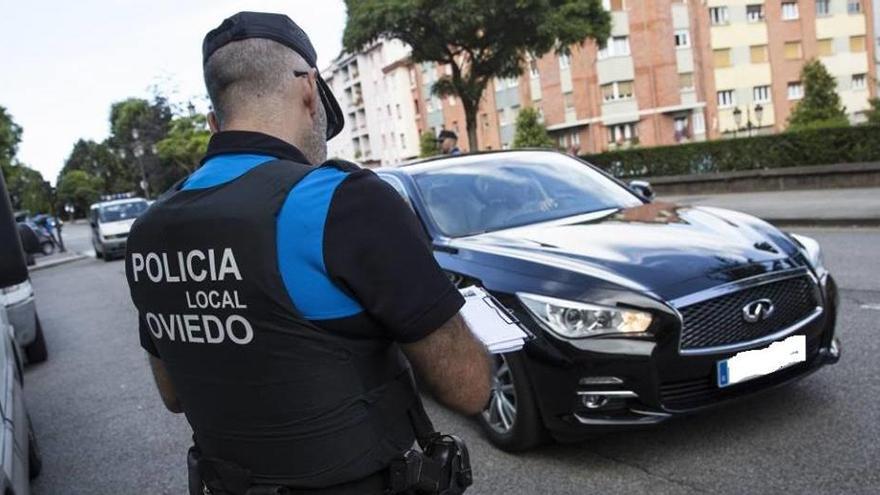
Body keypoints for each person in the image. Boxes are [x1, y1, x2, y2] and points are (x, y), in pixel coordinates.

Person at [124, 11, 491, 495]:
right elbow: (469, 387)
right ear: (310, 90)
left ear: (216, 121)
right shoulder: (342, 200)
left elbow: (174, 393)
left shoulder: (147, 230)